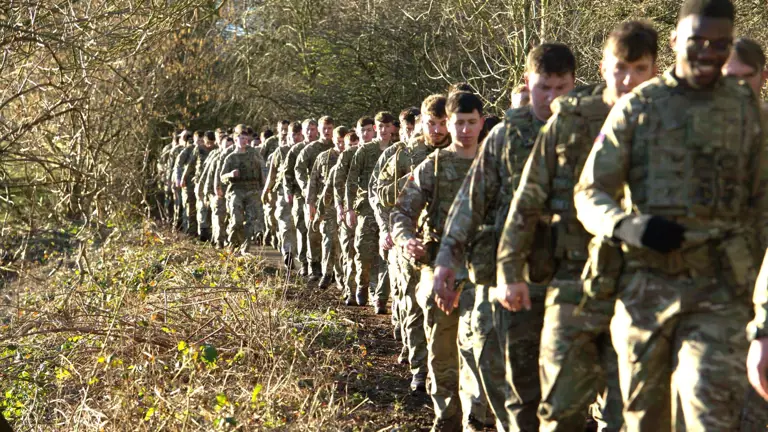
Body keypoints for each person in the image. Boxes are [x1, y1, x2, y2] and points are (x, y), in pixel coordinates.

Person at [574, 1, 766, 430]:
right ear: (677, 40)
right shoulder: (638, 107)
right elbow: (590, 192)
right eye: (698, 41)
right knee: (644, 420)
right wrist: (629, 226)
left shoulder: (748, 112)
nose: (708, 52)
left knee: (709, 414)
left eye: (721, 44)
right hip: (646, 293)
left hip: (722, 294)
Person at [496, 21, 658, 432]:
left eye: (639, 69)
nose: (627, 79)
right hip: (574, 283)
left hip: (640, 287)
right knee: (562, 409)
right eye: (620, 67)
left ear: (654, 69)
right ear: (603, 67)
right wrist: (509, 270)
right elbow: (527, 198)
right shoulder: (569, 122)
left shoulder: (667, 125)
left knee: (628, 413)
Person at [433, 43, 576, 432]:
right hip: (517, 281)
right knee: (518, 384)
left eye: (561, 87)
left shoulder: (594, 130)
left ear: (574, 83)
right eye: (544, 87)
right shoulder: (507, 136)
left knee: (572, 390)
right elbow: (471, 201)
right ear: (529, 83)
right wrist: (447, 257)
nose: (552, 98)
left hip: (577, 278)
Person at [391, 91, 486, 432]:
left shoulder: (496, 163)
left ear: (481, 121)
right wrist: (406, 239)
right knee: (443, 354)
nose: (463, 130)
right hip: (441, 272)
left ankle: (476, 419)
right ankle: (446, 419)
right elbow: (402, 210)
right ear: (448, 123)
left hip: (484, 273)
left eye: (470, 122)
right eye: (457, 123)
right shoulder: (432, 166)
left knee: (480, 351)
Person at [345, 112, 396, 311]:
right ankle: (363, 285)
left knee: (387, 253)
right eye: (380, 127)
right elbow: (351, 180)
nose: (383, 130)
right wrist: (349, 209)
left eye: (387, 126)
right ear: (375, 128)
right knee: (364, 252)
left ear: (393, 128)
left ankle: (381, 296)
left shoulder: (397, 151)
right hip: (366, 208)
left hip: (390, 209)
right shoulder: (365, 151)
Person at [308, 126, 348, 289]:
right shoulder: (323, 157)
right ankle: (327, 273)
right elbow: (313, 180)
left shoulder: (353, 156)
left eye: (343, 142)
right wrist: (311, 203)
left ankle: (341, 276)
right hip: (328, 204)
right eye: (338, 142)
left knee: (343, 243)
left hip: (347, 203)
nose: (341, 146)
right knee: (329, 240)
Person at [296, 116, 335, 282]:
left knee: (331, 234)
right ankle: (314, 267)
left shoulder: (337, 147)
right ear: (319, 129)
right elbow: (299, 168)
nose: (326, 131)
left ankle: (331, 268)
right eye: (324, 128)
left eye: (329, 128)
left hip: (333, 198)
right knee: (313, 232)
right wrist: (306, 188)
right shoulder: (311, 149)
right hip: (314, 195)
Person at [220, 126, 266, 253]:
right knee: (236, 221)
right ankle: (233, 243)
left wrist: (265, 187)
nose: (244, 141)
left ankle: (245, 248)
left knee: (251, 220)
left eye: (246, 138)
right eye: (241, 138)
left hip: (253, 190)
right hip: (236, 190)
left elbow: (263, 168)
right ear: (235, 140)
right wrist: (230, 175)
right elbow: (222, 177)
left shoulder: (254, 153)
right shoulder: (230, 158)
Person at [264, 121, 302, 268]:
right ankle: (288, 252)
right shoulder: (280, 151)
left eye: (299, 134)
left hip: (299, 193)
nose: (296, 137)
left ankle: (299, 255)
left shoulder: (306, 149)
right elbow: (272, 174)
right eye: (294, 134)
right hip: (282, 192)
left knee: (299, 225)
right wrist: (266, 191)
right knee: (286, 224)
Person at [282, 119, 319, 276]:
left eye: (313, 129)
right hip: (301, 194)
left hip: (321, 194)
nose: (310, 132)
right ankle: (305, 262)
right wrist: (288, 191)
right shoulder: (297, 150)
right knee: (303, 227)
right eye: (307, 129)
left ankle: (321, 263)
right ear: (303, 131)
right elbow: (288, 173)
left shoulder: (324, 147)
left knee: (319, 229)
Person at [334, 129, 363, 304]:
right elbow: (337, 184)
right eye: (350, 145)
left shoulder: (369, 155)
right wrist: (341, 208)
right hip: (347, 209)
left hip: (365, 209)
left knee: (364, 252)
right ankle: (350, 290)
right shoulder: (344, 158)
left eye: (355, 144)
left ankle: (365, 289)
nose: (354, 147)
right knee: (349, 252)